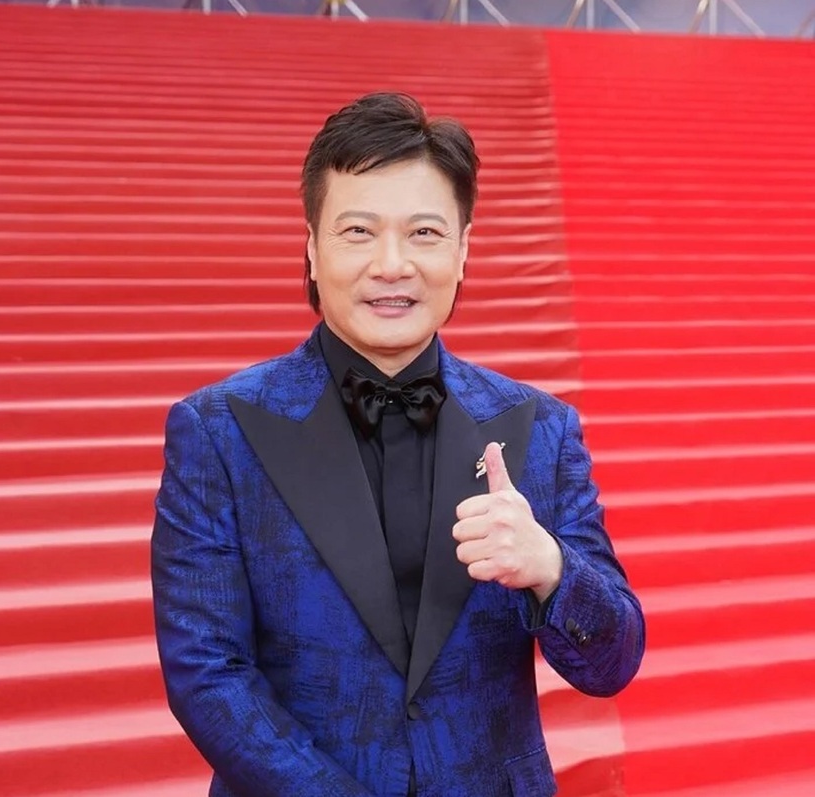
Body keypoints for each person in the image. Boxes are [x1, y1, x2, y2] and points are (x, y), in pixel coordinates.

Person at [151, 91, 645, 797]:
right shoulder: (218, 431)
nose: (392, 264)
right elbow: (208, 676)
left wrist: (550, 568)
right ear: (312, 248)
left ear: (463, 250)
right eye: (358, 231)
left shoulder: (540, 427)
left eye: (424, 233)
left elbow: (614, 662)